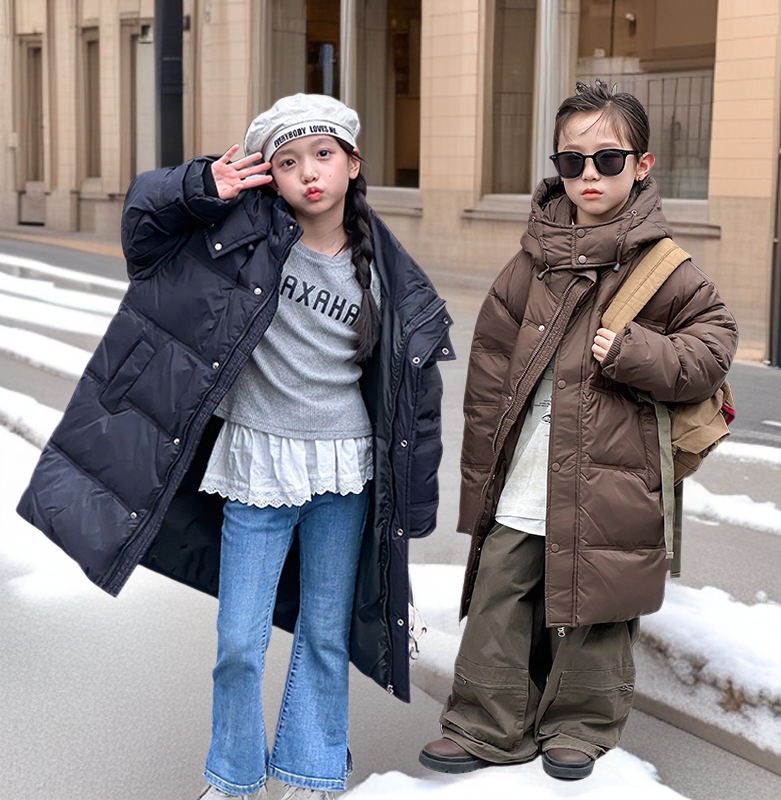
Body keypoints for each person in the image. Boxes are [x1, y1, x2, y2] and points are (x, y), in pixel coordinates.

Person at [17, 94, 454, 799]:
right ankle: (234, 778)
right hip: (257, 464)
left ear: (352, 164)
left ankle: (313, 773)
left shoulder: (389, 274)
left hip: (343, 471)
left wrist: (415, 506)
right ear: (267, 176)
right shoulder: (233, 240)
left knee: (324, 634)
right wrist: (197, 186)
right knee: (238, 643)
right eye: (288, 161)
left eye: (323, 155)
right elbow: (142, 234)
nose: (309, 173)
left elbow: (418, 404)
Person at [419, 80, 737, 781]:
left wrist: (635, 353)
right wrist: (482, 470)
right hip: (530, 465)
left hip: (612, 468)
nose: (589, 175)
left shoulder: (665, 267)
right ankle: (486, 722)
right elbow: (488, 372)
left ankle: (580, 725)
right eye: (572, 161)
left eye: (608, 159)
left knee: (599, 601)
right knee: (502, 588)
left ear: (642, 166)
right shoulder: (530, 260)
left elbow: (714, 346)